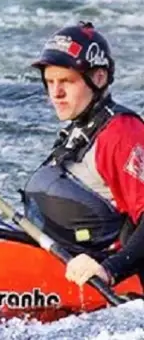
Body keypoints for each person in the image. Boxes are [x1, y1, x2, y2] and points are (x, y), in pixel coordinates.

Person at [22, 20, 144, 289]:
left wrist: (110, 271)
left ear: (98, 78)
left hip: (105, 276)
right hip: (62, 258)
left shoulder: (122, 133)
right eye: (50, 82)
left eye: (66, 81)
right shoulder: (81, 127)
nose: (56, 93)